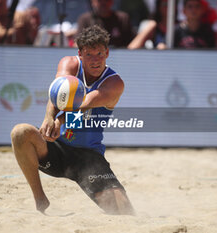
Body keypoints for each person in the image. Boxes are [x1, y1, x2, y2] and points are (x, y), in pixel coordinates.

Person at [11, 25, 135, 215]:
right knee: (20, 132)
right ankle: (40, 199)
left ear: (107, 53)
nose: (95, 60)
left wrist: (58, 121)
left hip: (87, 157)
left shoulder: (114, 83)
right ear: (80, 53)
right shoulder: (68, 63)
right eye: (89, 54)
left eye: (100, 54)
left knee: (123, 212)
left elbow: (82, 104)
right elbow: (58, 94)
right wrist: (48, 117)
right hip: (55, 148)